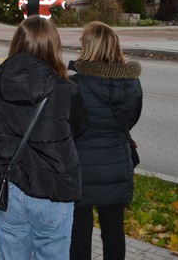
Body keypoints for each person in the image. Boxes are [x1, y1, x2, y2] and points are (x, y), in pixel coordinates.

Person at [0, 16, 86, 260]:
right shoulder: (67, 90)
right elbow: (79, 130)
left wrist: (7, 143)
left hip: (8, 188)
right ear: (54, 47)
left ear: (17, 43)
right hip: (54, 189)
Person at [69, 22, 143, 260]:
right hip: (117, 165)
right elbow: (130, 119)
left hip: (81, 167)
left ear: (89, 47)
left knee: (79, 233)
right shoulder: (132, 84)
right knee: (113, 232)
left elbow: (68, 126)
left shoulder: (74, 84)